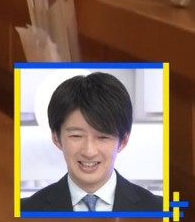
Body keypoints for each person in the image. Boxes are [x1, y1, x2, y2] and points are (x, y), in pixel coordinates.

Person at [21, 72, 160, 213]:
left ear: (123, 140)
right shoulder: (26, 209)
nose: (89, 151)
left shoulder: (158, 209)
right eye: (76, 136)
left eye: (103, 137)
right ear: (56, 138)